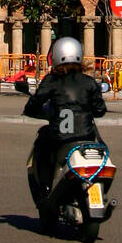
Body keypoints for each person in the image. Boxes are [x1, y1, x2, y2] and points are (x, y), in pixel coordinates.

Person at [21, 37, 107, 191]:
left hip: (60, 138)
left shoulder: (52, 81)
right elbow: (100, 110)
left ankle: (46, 187)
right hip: (86, 137)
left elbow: (36, 102)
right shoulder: (89, 82)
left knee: (42, 146)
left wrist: (33, 109)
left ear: (55, 56)